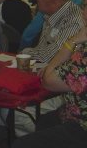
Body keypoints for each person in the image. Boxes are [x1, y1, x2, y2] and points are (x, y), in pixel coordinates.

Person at [12, 20, 87, 148]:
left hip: (81, 124)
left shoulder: (84, 52)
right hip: (71, 112)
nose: (83, 12)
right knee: (44, 122)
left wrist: (72, 41)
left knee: (21, 144)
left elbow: (49, 82)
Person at [19, 0, 84, 51]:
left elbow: (52, 56)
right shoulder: (49, 15)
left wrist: (25, 53)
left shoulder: (73, 20)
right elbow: (42, 49)